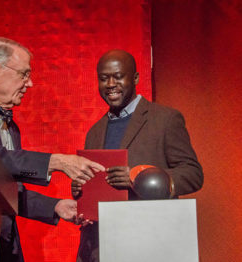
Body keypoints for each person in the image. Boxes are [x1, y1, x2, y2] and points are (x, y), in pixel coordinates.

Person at [0, 37, 105, 262]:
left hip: (6, 243)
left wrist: (56, 206)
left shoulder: (11, 126)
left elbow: (5, 189)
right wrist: (59, 162)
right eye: (24, 74)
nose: (30, 83)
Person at [72, 49, 204, 262]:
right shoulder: (95, 131)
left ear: (135, 78)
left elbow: (193, 174)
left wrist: (138, 177)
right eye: (104, 78)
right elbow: (96, 186)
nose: (110, 84)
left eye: (118, 76)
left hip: (150, 240)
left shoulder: (165, 119)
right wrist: (81, 191)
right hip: (100, 244)